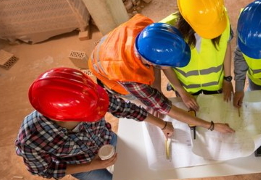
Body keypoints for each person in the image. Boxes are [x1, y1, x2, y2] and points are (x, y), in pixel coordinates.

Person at [15, 68, 172, 180]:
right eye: (91, 113)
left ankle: (134, 177)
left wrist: (163, 125)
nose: (98, 110)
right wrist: (92, 166)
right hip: (80, 163)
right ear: (62, 118)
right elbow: (46, 170)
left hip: (106, 140)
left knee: (131, 163)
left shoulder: (90, 95)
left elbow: (127, 108)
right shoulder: (31, 139)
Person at [88, 14, 235, 134]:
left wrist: (157, 91)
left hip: (116, 47)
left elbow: (159, 68)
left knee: (154, 98)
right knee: (146, 103)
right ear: (152, 63)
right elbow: (166, 108)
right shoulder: (127, 76)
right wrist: (211, 126)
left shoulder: (148, 29)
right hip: (107, 70)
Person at [160, 0, 234, 111]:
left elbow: (226, 47)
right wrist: (181, 91)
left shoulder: (220, 18)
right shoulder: (167, 29)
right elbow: (166, 66)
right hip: (187, 88)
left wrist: (227, 80)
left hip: (215, 85)